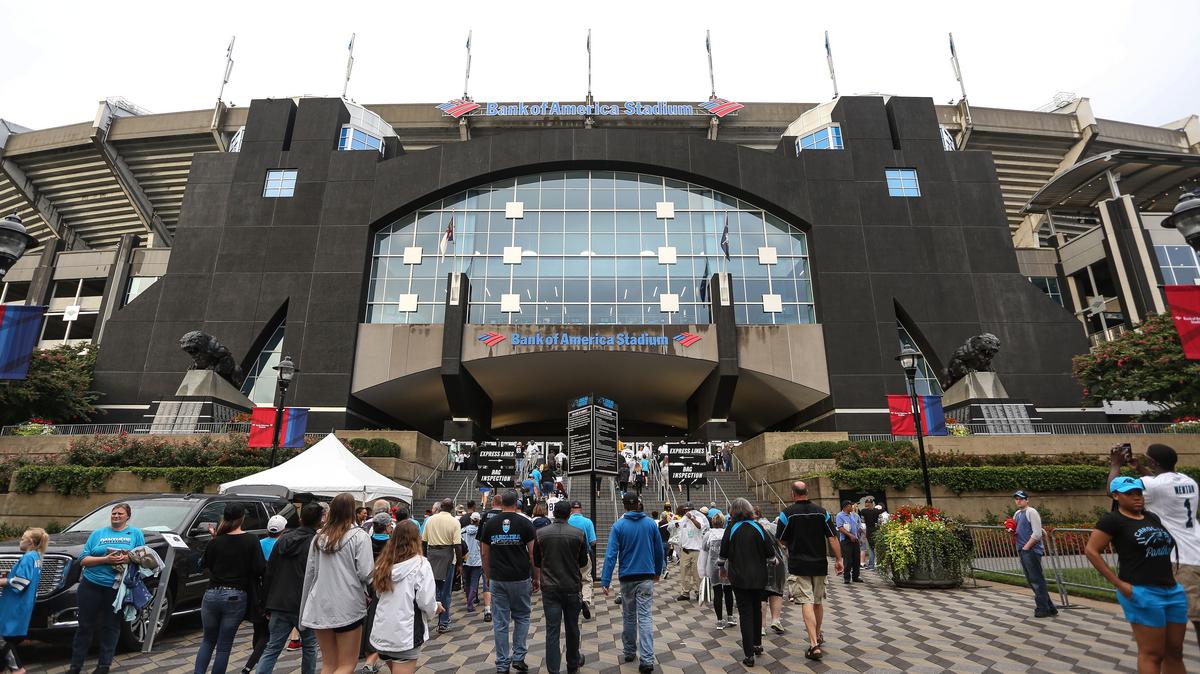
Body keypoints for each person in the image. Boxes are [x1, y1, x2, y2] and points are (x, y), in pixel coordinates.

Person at [1086, 476, 1186, 674]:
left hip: (1171, 591)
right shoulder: (1112, 520)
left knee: (1175, 652)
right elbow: (1091, 550)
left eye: (1139, 492)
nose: (1137, 497)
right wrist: (1120, 585)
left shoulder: (1151, 517)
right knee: (1152, 653)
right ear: (1116, 496)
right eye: (1129, 494)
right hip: (1142, 591)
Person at [1111, 443, 1200, 647]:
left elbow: (1114, 490)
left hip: (1182, 558)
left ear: (1153, 462)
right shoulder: (1189, 481)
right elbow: (1160, 482)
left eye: (1147, 459)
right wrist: (1140, 468)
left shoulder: (1153, 486)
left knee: (1193, 618)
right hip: (1197, 548)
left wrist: (1115, 464)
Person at [300, 492, 375, 674]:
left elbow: (310, 574)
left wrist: (303, 611)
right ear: (352, 511)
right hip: (348, 604)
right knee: (347, 664)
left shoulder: (319, 537)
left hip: (321, 603)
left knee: (329, 664)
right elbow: (366, 573)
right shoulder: (360, 537)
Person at [69, 502, 145, 674]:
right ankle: (75, 666)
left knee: (110, 626)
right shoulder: (98, 534)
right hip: (90, 585)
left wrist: (128, 559)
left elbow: (142, 558)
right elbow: (83, 560)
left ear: (127, 516)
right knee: (84, 627)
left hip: (116, 588)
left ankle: (104, 666)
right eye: (113, 514)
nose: (116, 516)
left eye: (120, 514)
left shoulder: (135, 534)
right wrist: (105, 560)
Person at [193, 502, 266, 674]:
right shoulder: (251, 540)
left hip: (211, 594)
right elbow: (259, 568)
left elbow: (204, 564)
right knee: (224, 646)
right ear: (242, 518)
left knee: (207, 641)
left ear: (224, 517)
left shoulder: (216, 541)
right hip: (236, 595)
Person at [776, 481, 841, 661]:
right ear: (807, 492)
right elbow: (832, 537)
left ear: (793, 494)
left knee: (806, 601)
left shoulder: (786, 514)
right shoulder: (822, 512)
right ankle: (818, 634)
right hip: (819, 563)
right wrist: (839, 559)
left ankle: (813, 644)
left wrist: (789, 547)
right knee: (818, 601)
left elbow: (780, 540)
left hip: (799, 564)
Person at [601, 492, 665, 674]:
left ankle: (629, 651)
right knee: (645, 617)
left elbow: (611, 554)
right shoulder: (650, 524)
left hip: (627, 577)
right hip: (646, 576)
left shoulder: (618, 526)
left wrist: (606, 579)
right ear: (638, 504)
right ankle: (647, 659)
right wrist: (657, 571)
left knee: (629, 616)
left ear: (624, 506)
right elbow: (659, 550)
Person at [368, 520, 441, 674]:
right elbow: (425, 601)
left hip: (382, 631)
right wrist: (435, 608)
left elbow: (379, 593)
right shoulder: (421, 564)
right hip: (406, 632)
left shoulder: (384, 563)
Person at [257, 503, 321, 674]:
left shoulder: (283, 539)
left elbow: (269, 572)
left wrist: (266, 602)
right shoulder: (317, 543)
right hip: (304, 604)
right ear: (320, 521)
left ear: (301, 519)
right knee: (310, 648)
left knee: (272, 648)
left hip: (279, 601)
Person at [479, 490, 538, 673]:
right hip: (520, 577)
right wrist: (536, 577)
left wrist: (488, 575)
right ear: (517, 503)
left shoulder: (490, 523)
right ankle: (519, 656)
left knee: (500, 621)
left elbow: (484, 553)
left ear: (501, 503)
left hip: (498, 578)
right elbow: (533, 554)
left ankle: (502, 663)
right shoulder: (526, 523)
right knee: (522, 617)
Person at [534, 501, 590, 674]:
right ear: (568, 515)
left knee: (552, 630)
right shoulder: (579, 534)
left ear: (554, 514)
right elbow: (582, 561)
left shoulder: (541, 534)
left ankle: (553, 668)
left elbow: (536, 560)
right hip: (572, 586)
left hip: (550, 587)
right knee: (572, 627)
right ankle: (573, 663)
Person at [720, 498, 775, 668]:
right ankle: (757, 643)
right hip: (759, 576)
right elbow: (770, 552)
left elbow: (723, 553)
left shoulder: (732, 527)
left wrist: (722, 569)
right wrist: (772, 561)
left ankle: (748, 654)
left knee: (745, 612)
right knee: (757, 608)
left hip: (738, 576)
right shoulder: (758, 526)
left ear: (733, 512)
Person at [239, 515, 288, 674]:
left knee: (258, 630)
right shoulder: (283, 545)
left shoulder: (259, 544)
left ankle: (256, 661)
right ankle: (252, 665)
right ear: (284, 530)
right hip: (273, 594)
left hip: (256, 593)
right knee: (268, 635)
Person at [0, 527, 47, 673]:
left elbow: (21, 582)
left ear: (31, 541)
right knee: (7, 637)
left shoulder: (28, 557)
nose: (20, 540)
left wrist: (3, 581)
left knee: (3, 638)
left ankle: (17, 669)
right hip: (22, 603)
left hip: (15, 603)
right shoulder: (37, 557)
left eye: (22, 538)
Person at [1012, 490, 1058, 618]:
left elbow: (1037, 533)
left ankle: (1042, 608)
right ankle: (1050, 607)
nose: (1018, 501)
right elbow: (1016, 530)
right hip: (1023, 549)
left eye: (1021, 498)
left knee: (1036, 580)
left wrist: (1026, 547)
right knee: (1032, 579)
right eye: (1016, 499)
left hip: (1031, 550)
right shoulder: (1017, 514)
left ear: (1027, 500)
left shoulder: (1031, 512)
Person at [421, 498, 461, 635]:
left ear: (441, 507)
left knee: (431, 588)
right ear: (452, 508)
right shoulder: (455, 521)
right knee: (446, 592)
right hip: (447, 556)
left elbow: (424, 541)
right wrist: (460, 564)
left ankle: (426, 619)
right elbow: (457, 545)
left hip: (432, 555)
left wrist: (424, 558)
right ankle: (443, 622)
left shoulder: (430, 520)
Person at [699, 513, 735, 629]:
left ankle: (719, 620)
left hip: (713, 568)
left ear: (712, 522)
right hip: (727, 566)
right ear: (723, 522)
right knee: (728, 591)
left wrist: (702, 570)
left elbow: (704, 553)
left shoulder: (708, 535)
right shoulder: (728, 533)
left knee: (717, 593)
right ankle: (730, 616)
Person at [753, 505, 785, 635]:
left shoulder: (753, 528)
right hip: (777, 563)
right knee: (776, 591)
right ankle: (776, 619)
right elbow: (782, 545)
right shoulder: (773, 526)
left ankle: (761, 626)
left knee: (762, 594)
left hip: (760, 562)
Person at [566, 501, 597, 620]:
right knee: (586, 578)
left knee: (571, 579)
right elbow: (593, 541)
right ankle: (586, 600)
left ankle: (571, 603)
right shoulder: (587, 522)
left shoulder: (567, 521)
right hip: (584, 554)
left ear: (571, 510)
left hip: (568, 555)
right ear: (581, 509)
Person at [672, 504, 708, 602]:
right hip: (685, 550)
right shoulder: (683, 520)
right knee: (684, 573)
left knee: (697, 573)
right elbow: (677, 526)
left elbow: (700, 527)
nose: (686, 512)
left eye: (688, 510)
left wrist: (691, 518)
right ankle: (685, 592)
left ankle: (699, 592)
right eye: (685, 510)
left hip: (696, 550)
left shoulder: (699, 518)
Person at [461, 512, 485, 612]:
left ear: (471, 519)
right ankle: (470, 603)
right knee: (474, 583)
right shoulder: (481, 531)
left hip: (465, 559)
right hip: (477, 560)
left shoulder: (463, 530)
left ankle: (468, 600)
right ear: (479, 520)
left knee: (467, 582)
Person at [834, 501, 862, 584]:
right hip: (846, 540)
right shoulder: (840, 516)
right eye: (850, 506)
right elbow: (840, 527)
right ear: (846, 507)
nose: (852, 508)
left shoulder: (854, 515)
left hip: (855, 539)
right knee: (848, 559)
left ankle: (855, 576)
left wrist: (858, 533)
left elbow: (858, 525)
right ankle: (846, 577)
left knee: (856, 559)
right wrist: (850, 535)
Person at [859, 497, 882, 571]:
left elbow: (862, 522)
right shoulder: (877, 511)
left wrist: (864, 532)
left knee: (871, 548)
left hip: (869, 530)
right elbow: (880, 521)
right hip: (876, 530)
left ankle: (871, 565)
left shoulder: (863, 511)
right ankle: (878, 563)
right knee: (877, 547)